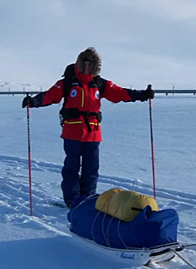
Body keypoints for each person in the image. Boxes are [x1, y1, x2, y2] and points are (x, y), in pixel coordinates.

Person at [22, 47, 154, 208]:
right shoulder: (68, 82)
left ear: (95, 66)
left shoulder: (99, 83)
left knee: (91, 168)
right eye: (83, 63)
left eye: (90, 63)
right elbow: (50, 96)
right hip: (72, 133)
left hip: (93, 134)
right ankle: (72, 198)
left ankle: (88, 198)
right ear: (78, 63)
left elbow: (119, 93)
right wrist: (33, 102)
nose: (86, 67)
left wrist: (141, 95)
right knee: (71, 168)